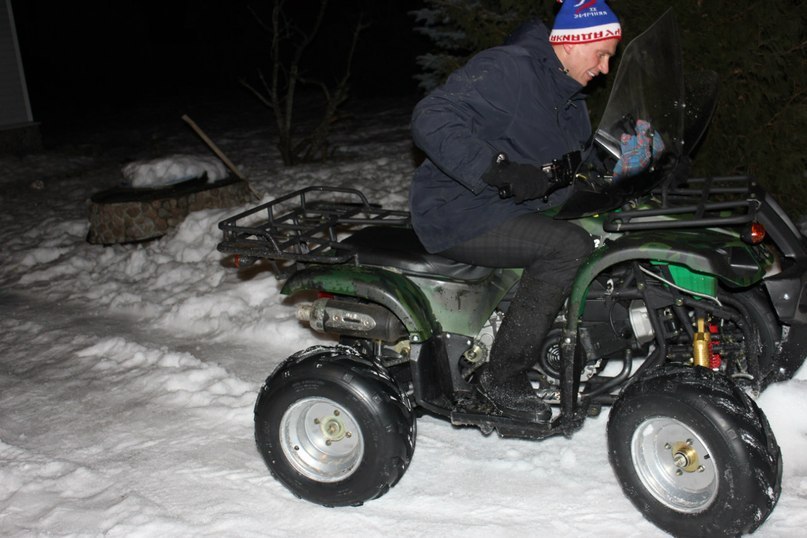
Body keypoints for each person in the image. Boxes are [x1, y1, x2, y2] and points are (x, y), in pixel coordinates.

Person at [409, 0, 631, 422]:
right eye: (601, 54)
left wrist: (629, 160)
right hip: (458, 210)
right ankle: (503, 376)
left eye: (610, 58)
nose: (604, 69)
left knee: (604, 228)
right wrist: (498, 170)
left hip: (509, 206)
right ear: (572, 42)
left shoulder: (568, 98)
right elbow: (431, 117)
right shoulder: (509, 70)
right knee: (568, 246)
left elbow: (574, 162)